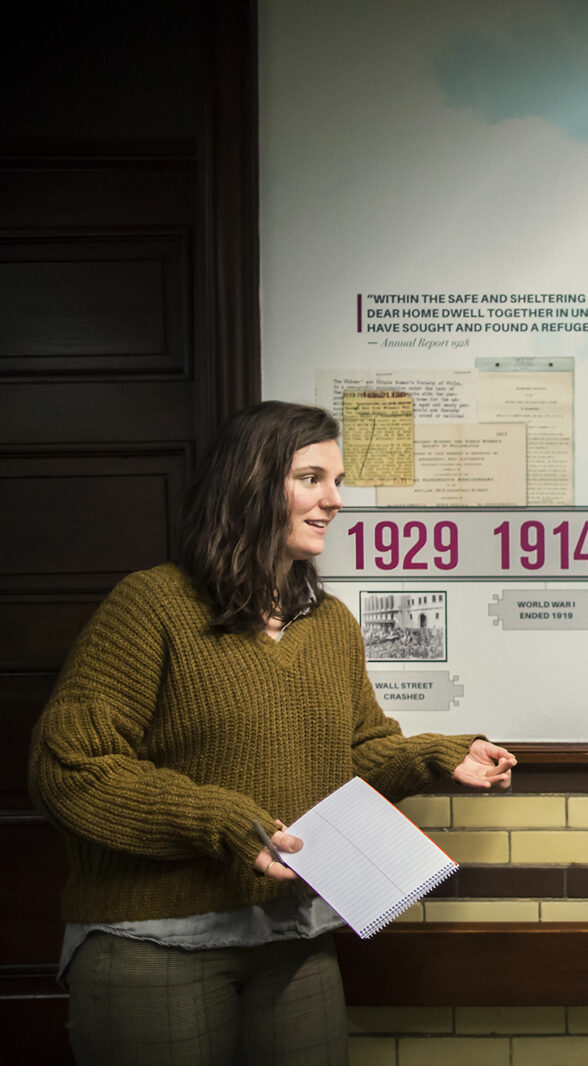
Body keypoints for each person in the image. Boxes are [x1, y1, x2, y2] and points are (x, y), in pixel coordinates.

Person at [29, 401, 517, 1065]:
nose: (335, 500)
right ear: (252, 484)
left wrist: (439, 755)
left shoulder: (330, 623)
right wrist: (224, 822)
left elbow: (357, 756)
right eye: (312, 478)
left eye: (337, 481)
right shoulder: (152, 607)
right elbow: (70, 770)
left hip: (292, 939)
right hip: (155, 943)